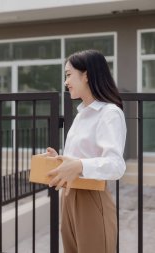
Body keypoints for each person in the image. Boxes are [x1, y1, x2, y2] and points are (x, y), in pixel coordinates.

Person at [45, 50, 127, 253]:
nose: (66, 82)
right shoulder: (82, 114)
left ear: (87, 75)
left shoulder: (109, 113)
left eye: (68, 74)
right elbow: (79, 158)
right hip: (68, 196)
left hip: (91, 198)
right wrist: (60, 161)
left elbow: (116, 166)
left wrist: (79, 165)